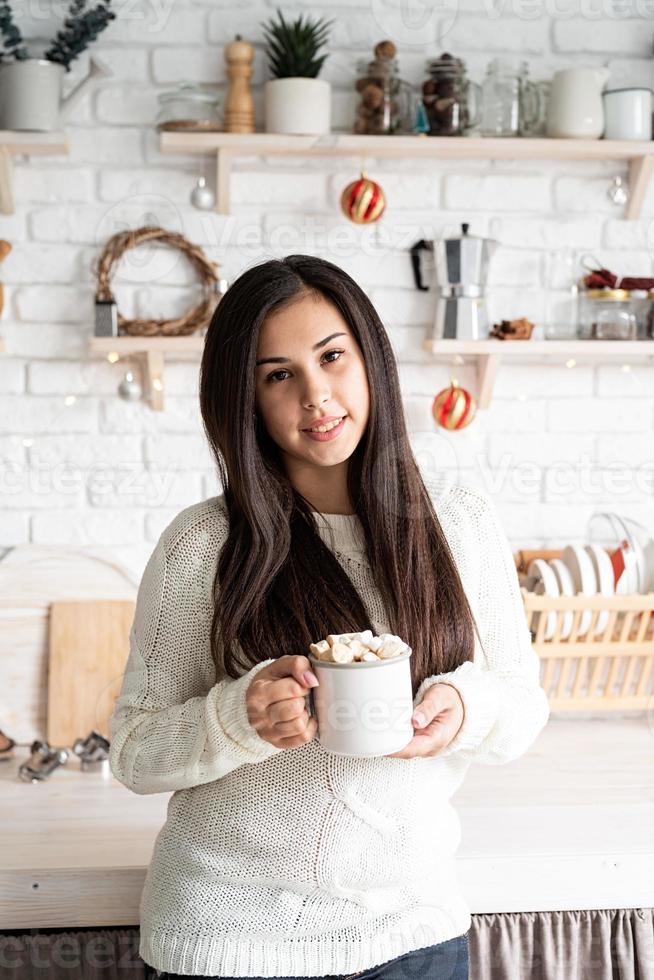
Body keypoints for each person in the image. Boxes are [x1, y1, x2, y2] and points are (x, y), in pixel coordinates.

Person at [109, 254, 550, 980]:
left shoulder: (459, 523)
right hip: (226, 942)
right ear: (245, 397)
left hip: (415, 939)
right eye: (279, 374)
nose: (317, 396)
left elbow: (523, 705)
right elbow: (133, 751)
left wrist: (465, 707)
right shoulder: (203, 545)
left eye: (332, 357)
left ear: (369, 357)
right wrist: (238, 719)